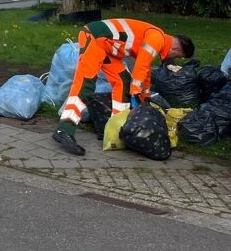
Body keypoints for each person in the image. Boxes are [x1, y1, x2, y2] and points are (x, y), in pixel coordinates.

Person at [53, 18, 194, 156]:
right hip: (95, 38)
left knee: (123, 82)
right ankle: (64, 129)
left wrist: (145, 97)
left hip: (107, 46)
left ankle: (115, 131)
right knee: (86, 83)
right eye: (177, 56)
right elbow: (141, 67)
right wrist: (136, 93)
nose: (173, 58)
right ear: (176, 49)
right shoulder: (157, 38)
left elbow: (145, 70)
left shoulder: (158, 39)